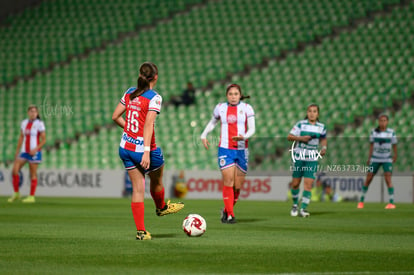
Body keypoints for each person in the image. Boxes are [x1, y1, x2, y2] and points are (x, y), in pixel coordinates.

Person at [112, 62, 184, 240]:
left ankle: (141, 232)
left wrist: (129, 130)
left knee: (138, 189)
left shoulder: (129, 92)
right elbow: (148, 124)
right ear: (156, 77)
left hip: (125, 148)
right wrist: (145, 151)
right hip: (143, 149)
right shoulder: (154, 97)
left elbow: (115, 116)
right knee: (157, 178)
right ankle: (161, 207)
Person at [200, 84, 255, 224]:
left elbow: (253, 129)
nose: (233, 96)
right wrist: (204, 134)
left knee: (237, 186)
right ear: (227, 96)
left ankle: (225, 210)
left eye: (236, 94)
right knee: (228, 182)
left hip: (242, 149)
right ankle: (230, 215)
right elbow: (213, 122)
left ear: (240, 95)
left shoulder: (247, 108)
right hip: (225, 149)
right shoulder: (220, 108)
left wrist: (244, 137)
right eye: (230, 94)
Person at [288, 103, 327, 217]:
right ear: (307, 113)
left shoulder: (322, 127)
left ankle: (303, 209)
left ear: (318, 113)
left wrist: (324, 147)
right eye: (310, 111)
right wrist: (300, 138)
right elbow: (289, 136)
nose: (312, 113)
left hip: (312, 157)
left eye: (314, 111)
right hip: (299, 156)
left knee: (308, 184)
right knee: (295, 184)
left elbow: (323, 139)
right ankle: (295, 204)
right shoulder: (301, 124)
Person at [357, 113, 397, 209]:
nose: (382, 122)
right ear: (378, 122)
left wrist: (395, 155)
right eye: (381, 120)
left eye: (384, 120)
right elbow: (371, 145)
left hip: (387, 158)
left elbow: (394, 145)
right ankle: (361, 201)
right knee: (369, 178)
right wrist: (369, 157)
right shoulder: (374, 132)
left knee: (388, 179)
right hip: (375, 158)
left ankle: (391, 202)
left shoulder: (391, 132)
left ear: (387, 122)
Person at [8, 105, 46, 203]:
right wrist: (17, 150)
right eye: (31, 111)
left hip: (34, 152)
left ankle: (31, 196)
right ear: (28, 113)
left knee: (32, 174)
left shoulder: (39, 124)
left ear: (37, 113)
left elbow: (44, 139)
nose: (33, 113)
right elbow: (21, 137)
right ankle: (16, 193)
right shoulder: (24, 123)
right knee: (14, 170)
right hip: (24, 151)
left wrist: (36, 149)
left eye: (35, 111)